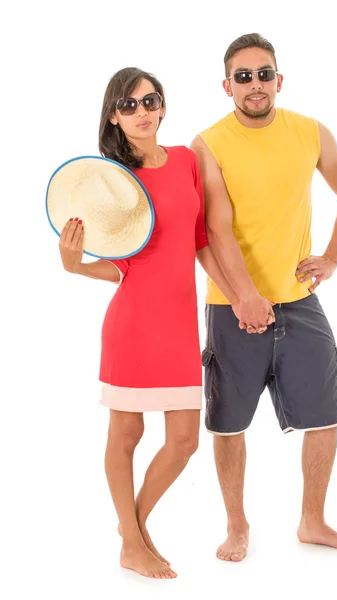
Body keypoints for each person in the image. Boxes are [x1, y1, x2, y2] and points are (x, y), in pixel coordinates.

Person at [191, 33, 337, 562]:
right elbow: (216, 229)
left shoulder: (309, 132)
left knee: (326, 414)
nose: (255, 84)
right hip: (231, 305)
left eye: (263, 73)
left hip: (297, 299)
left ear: (278, 80)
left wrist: (332, 257)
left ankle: (312, 521)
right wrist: (243, 296)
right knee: (228, 422)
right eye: (243, 76)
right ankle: (237, 525)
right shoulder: (208, 144)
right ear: (227, 86)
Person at [58, 67, 239, 579]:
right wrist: (75, 266)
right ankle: (134, 540)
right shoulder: (114, 179)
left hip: (180, 323)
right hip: (133, 322)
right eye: (129, 105)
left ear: (163, 106)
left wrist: (237, 294)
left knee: (184, 439)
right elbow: (120, 262)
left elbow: (200, 238)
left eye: (150, 101)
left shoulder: (185, 160)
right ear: (114, 116)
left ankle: (130, 532)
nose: (142, 112)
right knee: (127, 432)